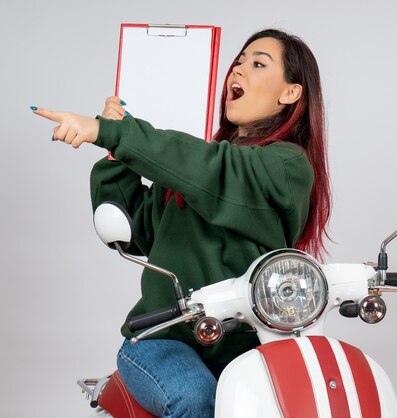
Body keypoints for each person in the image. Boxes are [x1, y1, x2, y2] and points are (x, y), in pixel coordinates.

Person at [32, 28, 331, 418]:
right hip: (163, 339)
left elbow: (215, 170)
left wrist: (118, 134)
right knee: (195, 399)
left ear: (290, 93)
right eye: (238, 62)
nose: (238, 71)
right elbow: (136, 224)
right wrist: (113, 145)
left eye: (258, 64)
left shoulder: (286, 166)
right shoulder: (191, 172)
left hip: (247, 344)